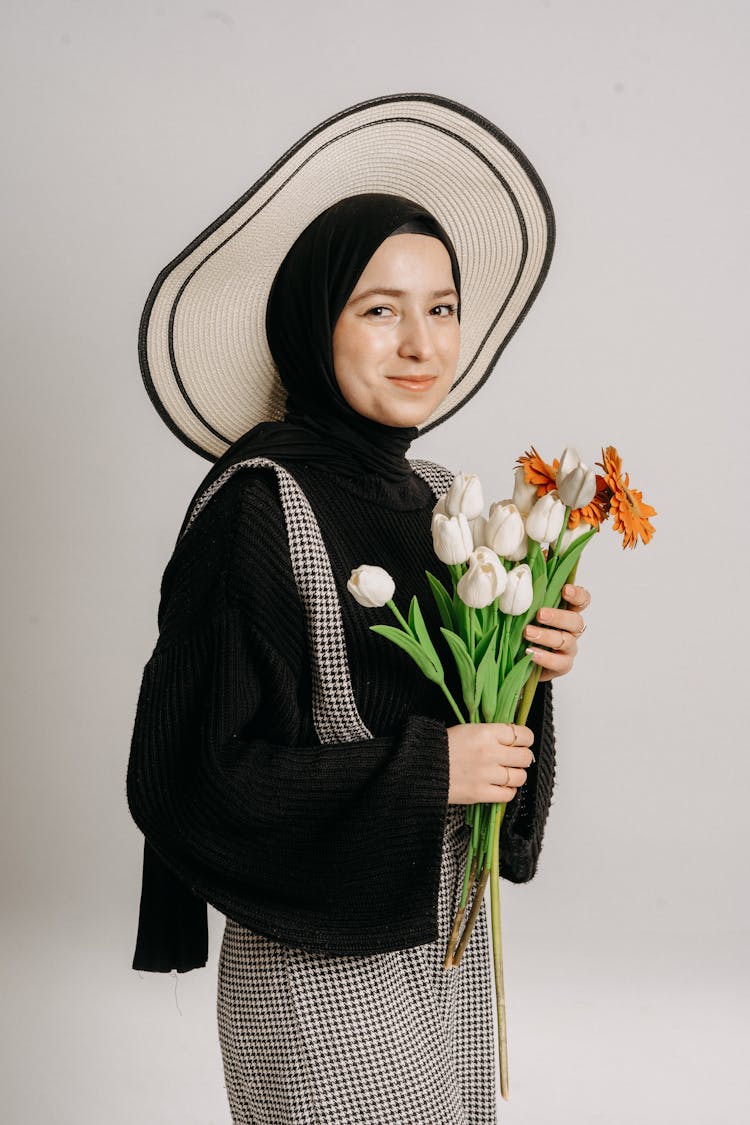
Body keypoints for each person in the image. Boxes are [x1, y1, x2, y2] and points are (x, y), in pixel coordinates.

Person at [127, 95, 591, 1124]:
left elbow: (462, 738)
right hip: (321, 969)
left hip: (439, 943)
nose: (421, 344)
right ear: (312, 321)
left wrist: (522, 665)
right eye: (379, 309)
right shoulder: (257, 505)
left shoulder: (433, 497)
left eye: (442, 307)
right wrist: (436, 766)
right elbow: (190, 777)